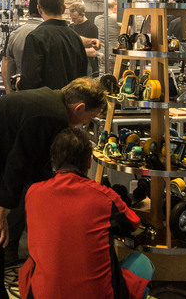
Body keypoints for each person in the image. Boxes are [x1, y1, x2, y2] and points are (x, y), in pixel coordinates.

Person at [0, 77, 106, 299]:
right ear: (79, 107)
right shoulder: (52, 115)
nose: (85, 123)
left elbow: (31, 162)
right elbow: (18, 165)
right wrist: (1, 212)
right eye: (90, 118)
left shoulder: (51, 99)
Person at [19, 127, 153, 299]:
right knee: (142, 262)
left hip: (43, 294)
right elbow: (133, 223)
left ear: (53, 161)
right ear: (89, 162)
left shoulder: (32, 194)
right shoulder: (105, 197)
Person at [18, 0, 88, 91]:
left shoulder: (35, 38)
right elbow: (82, 79)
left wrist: (19, 84)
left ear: (39, 9)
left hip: (45, 100)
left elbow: (30, 81)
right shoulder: (76, 38)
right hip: (71, 100)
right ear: (63, 9)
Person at [2, 0, 42, 93]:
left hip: (21, 94)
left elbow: (9, 69)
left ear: (29, 10)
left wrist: (11, 94)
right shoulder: (55, 34)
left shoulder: (14, 35)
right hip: (47, 96)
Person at [68, 2, 99, 76]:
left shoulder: (91, 28)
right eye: (71, 18)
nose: (72, 20)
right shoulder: (71, 27)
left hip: (87, 66)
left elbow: (93, 52)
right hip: (74, 65)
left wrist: (73, 51)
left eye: (74, 18)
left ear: (82, 15)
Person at [95, 0, 120, 74]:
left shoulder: (97, 19)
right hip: (114, 53)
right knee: (115, 76)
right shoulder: (117, 18)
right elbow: (127, 29)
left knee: (103, 76)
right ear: (114, 7)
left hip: (101, 53)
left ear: (104, 6)